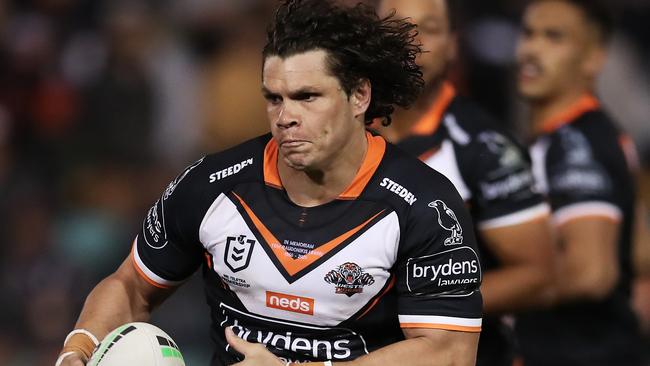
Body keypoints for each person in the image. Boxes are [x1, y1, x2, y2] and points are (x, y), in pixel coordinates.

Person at [56, 1, 484, 365]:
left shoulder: (424, 205)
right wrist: (78, 348)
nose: (286, 117)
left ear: (359, 96)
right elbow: (131, 283)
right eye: (274, 98)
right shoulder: (211, 185)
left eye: (307, 97)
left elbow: (448, 351)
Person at [374, 1, 555, 365]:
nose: (413, 43)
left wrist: (419, 306)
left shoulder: (485, 145)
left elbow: (538, 273)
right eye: (398, 27)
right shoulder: (341, 129)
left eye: (430, 28)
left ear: (453, 46)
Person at [514, 0, 644, 365]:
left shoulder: (573, 145)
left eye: (554, 37)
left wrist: (491, 293)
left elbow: (591, 274)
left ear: (592, 59)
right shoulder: (601, 134)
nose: (531, 49)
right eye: (528, 34)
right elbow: (638, 250)